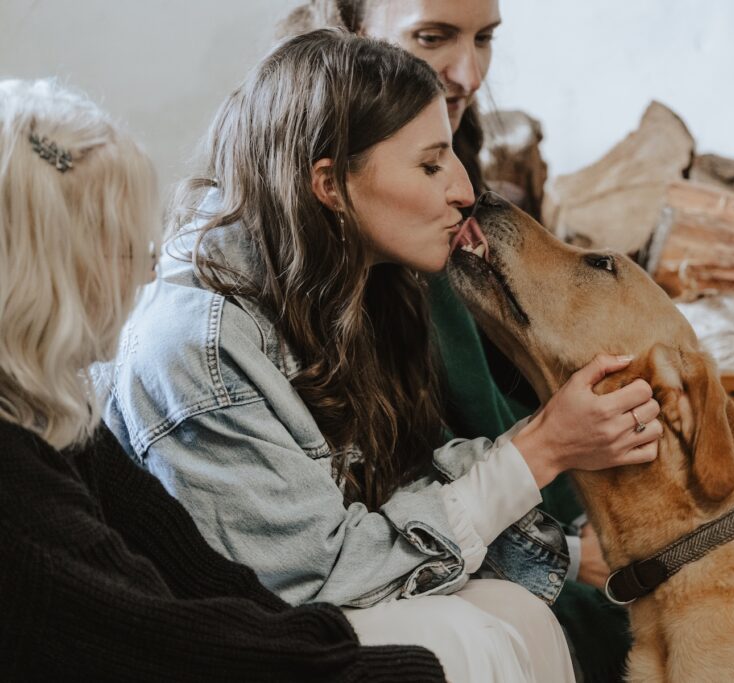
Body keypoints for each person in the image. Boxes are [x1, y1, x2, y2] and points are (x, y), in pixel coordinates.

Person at [100, 30, 660, 682]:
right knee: (462, 638)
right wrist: (542, 448)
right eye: (429, 166)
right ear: (331, 184)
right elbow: (314, 576)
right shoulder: (202, 347)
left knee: (520, 610)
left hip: (313, 595)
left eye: (452, 156)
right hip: (224, 636)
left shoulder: (346, 284)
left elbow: (389, 490)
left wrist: (558, 545)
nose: (461, 189)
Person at [0, 77, 446, 681]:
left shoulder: (52, 417)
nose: (149, 267)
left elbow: (191, 567)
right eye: (122, 245)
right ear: (41, 265)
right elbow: (165, 644)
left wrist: (320, 643)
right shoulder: (20, 506)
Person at [279, 2, 636, 679]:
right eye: (432, 37)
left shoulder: (443, 198)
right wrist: (556, 541)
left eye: (486, 39)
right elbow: (351, 518)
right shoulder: (330, 254)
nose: (468, 73)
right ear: (349, 39)